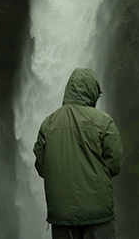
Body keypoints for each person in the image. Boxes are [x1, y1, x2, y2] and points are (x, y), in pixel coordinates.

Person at [33, 67, 123, 239]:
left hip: (61, 214)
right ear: (93, 91)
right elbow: (114, 164)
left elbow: (41, 166)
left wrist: (59, 175)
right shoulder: (104, 121)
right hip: (98, 213)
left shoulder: (48, 123)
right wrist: (96, 175)